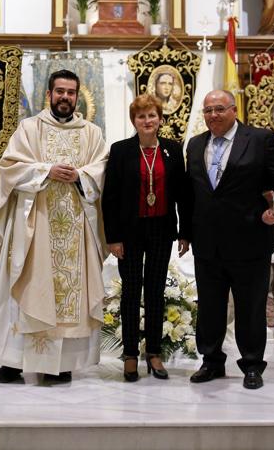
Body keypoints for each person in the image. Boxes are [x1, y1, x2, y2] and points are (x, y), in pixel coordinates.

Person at [0, 69, 108, 383]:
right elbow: (9, 167)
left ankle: (61, 365)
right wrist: (46, 170)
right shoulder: (28, 128)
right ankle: (13, 361)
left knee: (67, 295)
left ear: (77, 96)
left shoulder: (91, 133)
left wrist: (82, 176)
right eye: (60, 91)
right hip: (34, 226)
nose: (65, 97)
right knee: (27, 287)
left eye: (71, 92)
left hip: (75, 229)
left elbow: (103, 168)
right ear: (49, 94)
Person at [183, 90, 274, 389]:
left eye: (219, 109)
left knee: (250, 308)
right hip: (207, 242)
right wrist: (184, 233)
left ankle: (252, 365)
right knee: (209, 308)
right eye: (207, 110)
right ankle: (211, 362)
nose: (213, 115)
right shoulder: (195, 145)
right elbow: (191, 194)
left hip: (250, 240)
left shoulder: (260, 140)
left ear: (234, 110)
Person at [102, 94, 189, 381]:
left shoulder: (173, 151)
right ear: (134, 121)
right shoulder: (121, 150)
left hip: (161, 230)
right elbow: (110, 197)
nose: (147, 121)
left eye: (152, 115)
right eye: (141, 116)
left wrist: (185, 232)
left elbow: (183, 196)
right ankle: (129, 354)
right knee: (130, 292)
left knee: (155, 291)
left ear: (160, 119)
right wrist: (113, 238)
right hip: (129, 232)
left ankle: (153, 352)